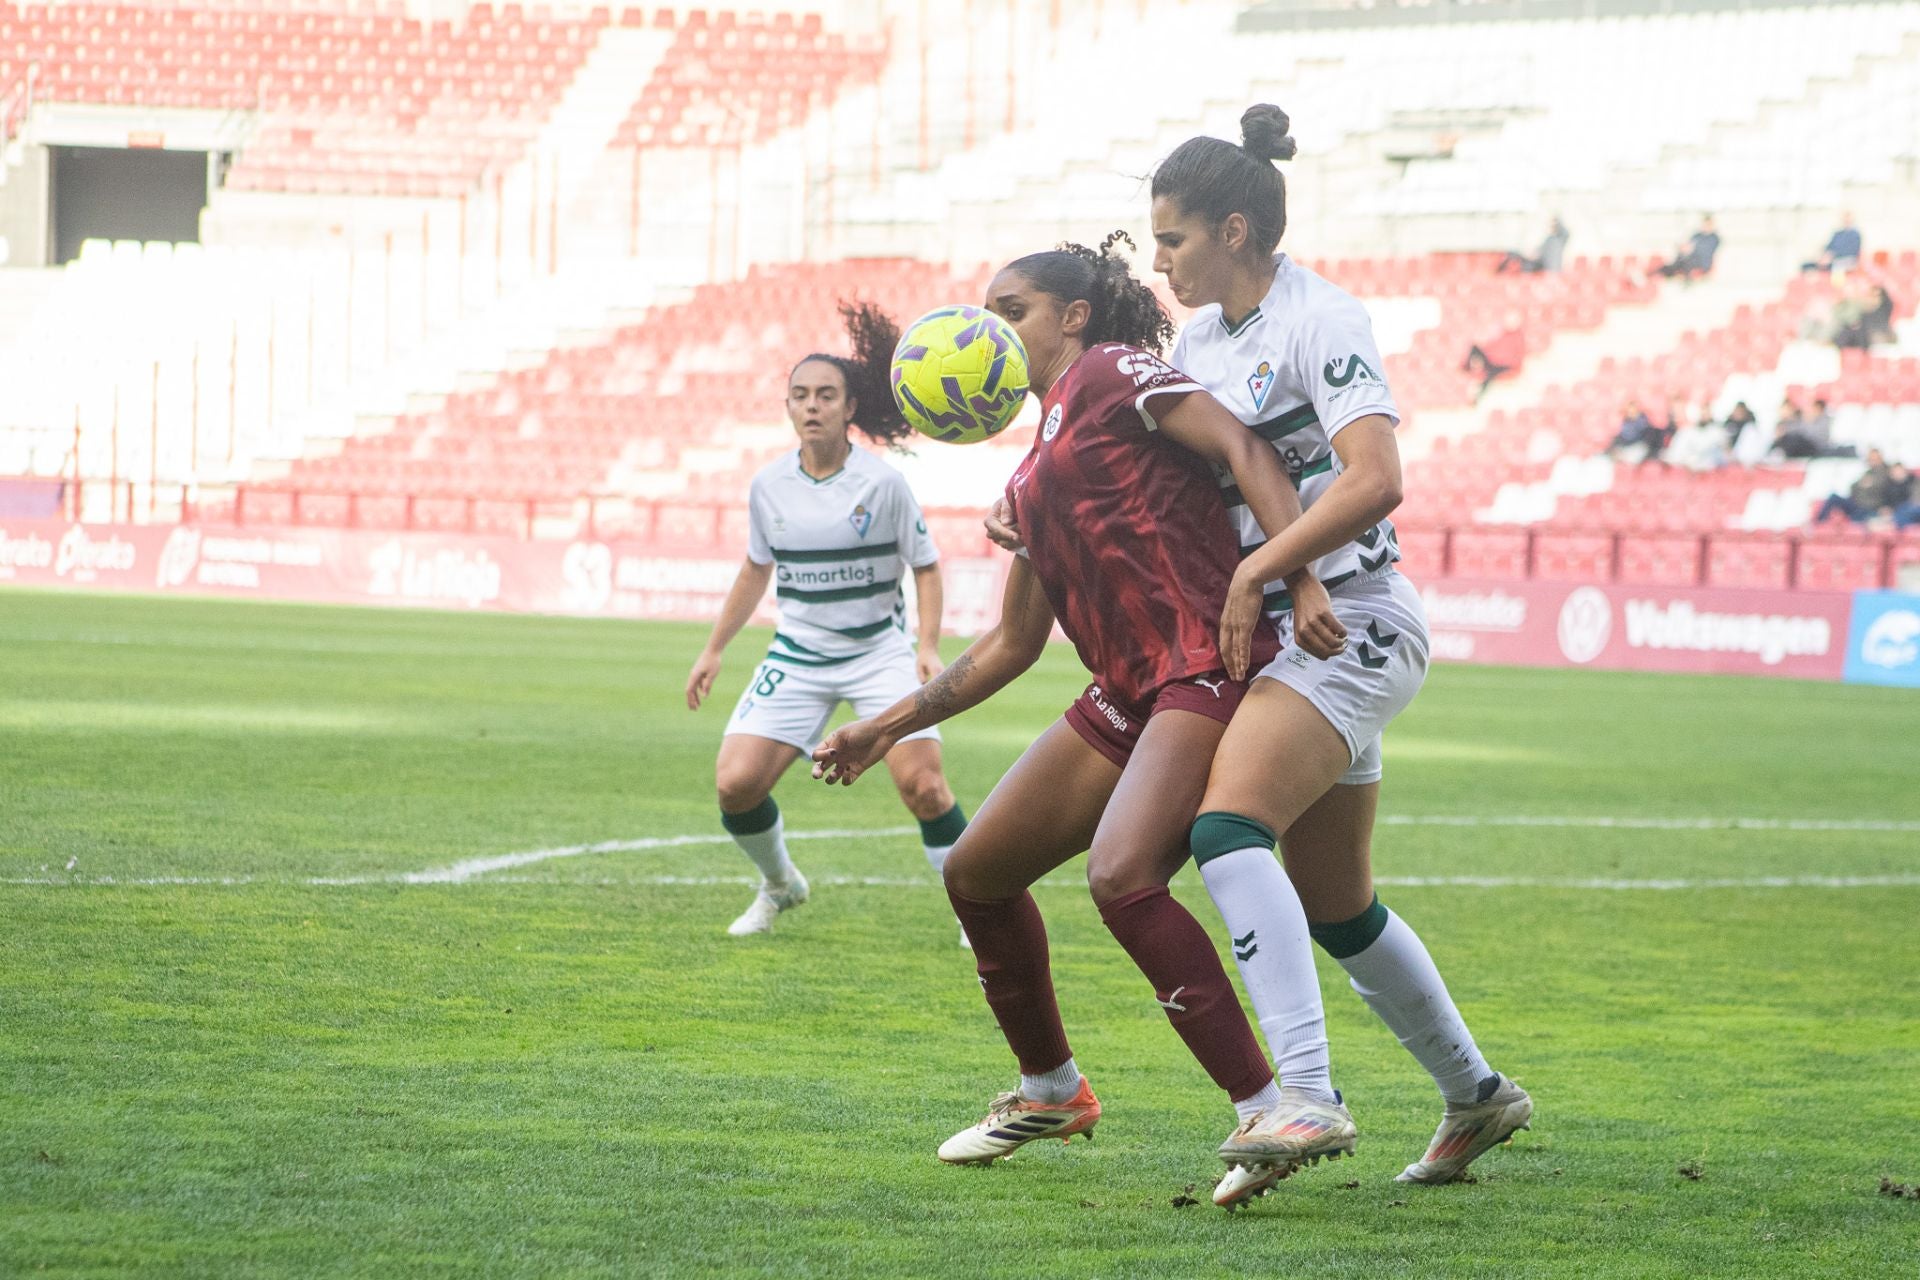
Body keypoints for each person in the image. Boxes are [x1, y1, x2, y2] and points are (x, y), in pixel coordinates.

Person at [811, 236, 1348, 1189]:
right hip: (1128, 691)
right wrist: (884, 725)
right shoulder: (1029, 474)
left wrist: (1295, 577)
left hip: (1205, 668)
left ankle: (1273, 1109)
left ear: (1075, 317)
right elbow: (1012, 646)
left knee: (1122, 875)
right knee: (978, 872)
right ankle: (1050, 1088)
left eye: (1011, 308)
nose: (994, 325)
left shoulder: (1111, 373)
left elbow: (1242, 445)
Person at [1143, 103, 1531, 1204]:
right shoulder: (1199, 343)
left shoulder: (1324, 316)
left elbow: (1376, 477)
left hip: (1355, 618)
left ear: (1231, 228)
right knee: (1337, 902)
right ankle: (1478, 1092)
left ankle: (1303, 1092)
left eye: (1172, 237)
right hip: (1295, 627)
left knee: (1224, 827)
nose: (1162, 257)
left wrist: (1267, 570)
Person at [684, 303, 970, 939]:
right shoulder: (767, 487)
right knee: (735, 786)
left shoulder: (884, 484)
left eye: (826, 395)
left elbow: (925, 566)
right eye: (800, 395)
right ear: (788, 407)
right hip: (799, 654)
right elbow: (756, 569)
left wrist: (924, 646)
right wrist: (714, 649)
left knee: (924, 786)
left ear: (849, 408)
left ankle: (978, 911)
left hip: (878, 653)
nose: (811, 406)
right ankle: (781, 885)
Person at [1814, 449, 1910, 525]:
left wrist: (1868, 485)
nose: (1871, 461)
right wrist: (1864, 485)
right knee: (1833, 497)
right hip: (1857, 502)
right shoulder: (1868, 472)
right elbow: (1853, 486)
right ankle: (1818, 524)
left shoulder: (1886, 472)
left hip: (1871, 507)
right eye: (1870, 458)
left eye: (1874, 458)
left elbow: (1884, 490)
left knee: (1860, 519)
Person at [1461, 311, 1526, 402]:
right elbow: (1488, 345)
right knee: (1475, 348)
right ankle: (1466, 368)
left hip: (1504, 365)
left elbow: (1516, 357)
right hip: (1492, 360)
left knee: (1488, 375)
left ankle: (1476, 396)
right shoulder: (1500, 332)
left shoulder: (1517, 337)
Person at [1654, 214, 1719, 280]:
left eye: (1708, 224)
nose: (1706, 227)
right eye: (1705, 224)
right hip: (1689, 258)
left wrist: (1693, 249)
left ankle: (1683, 276)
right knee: (1679, 260)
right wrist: (1684, 248)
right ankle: (1662, 272)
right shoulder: (1697, 235)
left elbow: (1706, 251)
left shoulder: (1714, 238)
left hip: (1701, 261)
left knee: (1686, 262)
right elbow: (1689, 244)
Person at [1496, 216, 1568, 274]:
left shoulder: (1557, 240)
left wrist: (1557, 222)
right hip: (1542, 265)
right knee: (1514, 254)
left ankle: (1501, 273)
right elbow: (1539, 253)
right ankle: (1502, 272)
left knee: (1524, 263)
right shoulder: (1549, 240)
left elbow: (1565, 233)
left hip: (1547, 268)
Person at [1835, 284, 1896, 350]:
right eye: (1871, 296)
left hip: (1880, 343)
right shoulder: (1860, 313)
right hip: (1866, 345)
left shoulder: (1884, 310)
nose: (1873, 299)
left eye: (1877, 296)